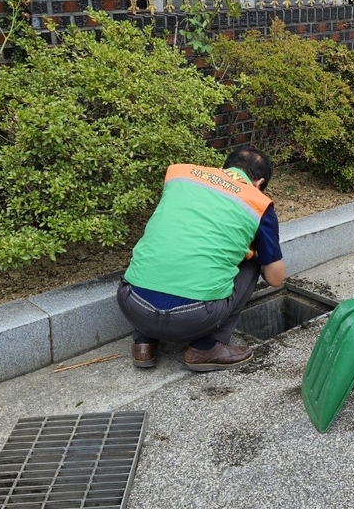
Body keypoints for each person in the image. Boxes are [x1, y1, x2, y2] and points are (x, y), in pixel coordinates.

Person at [116, 146, 286, 371]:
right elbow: (275, 278)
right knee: (253, 262)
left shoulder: (180, 175)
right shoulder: (258, 202)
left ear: (223, 167)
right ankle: (206, 348)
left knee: (165, 246)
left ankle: (144, 343)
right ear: (259, 183)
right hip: (194, 316)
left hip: (132, 305)